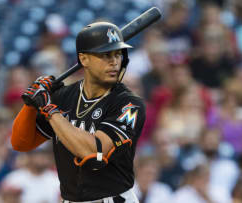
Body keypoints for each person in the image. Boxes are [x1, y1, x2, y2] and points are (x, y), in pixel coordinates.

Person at [11, 21, 146, 203]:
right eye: (105, 55)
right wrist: (32, 103)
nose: (114, 62)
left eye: (117, 54)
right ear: (84, 59)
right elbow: (21, 143)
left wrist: (49, 109)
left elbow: (94, 152)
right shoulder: (64, 97)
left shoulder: (129, 104)